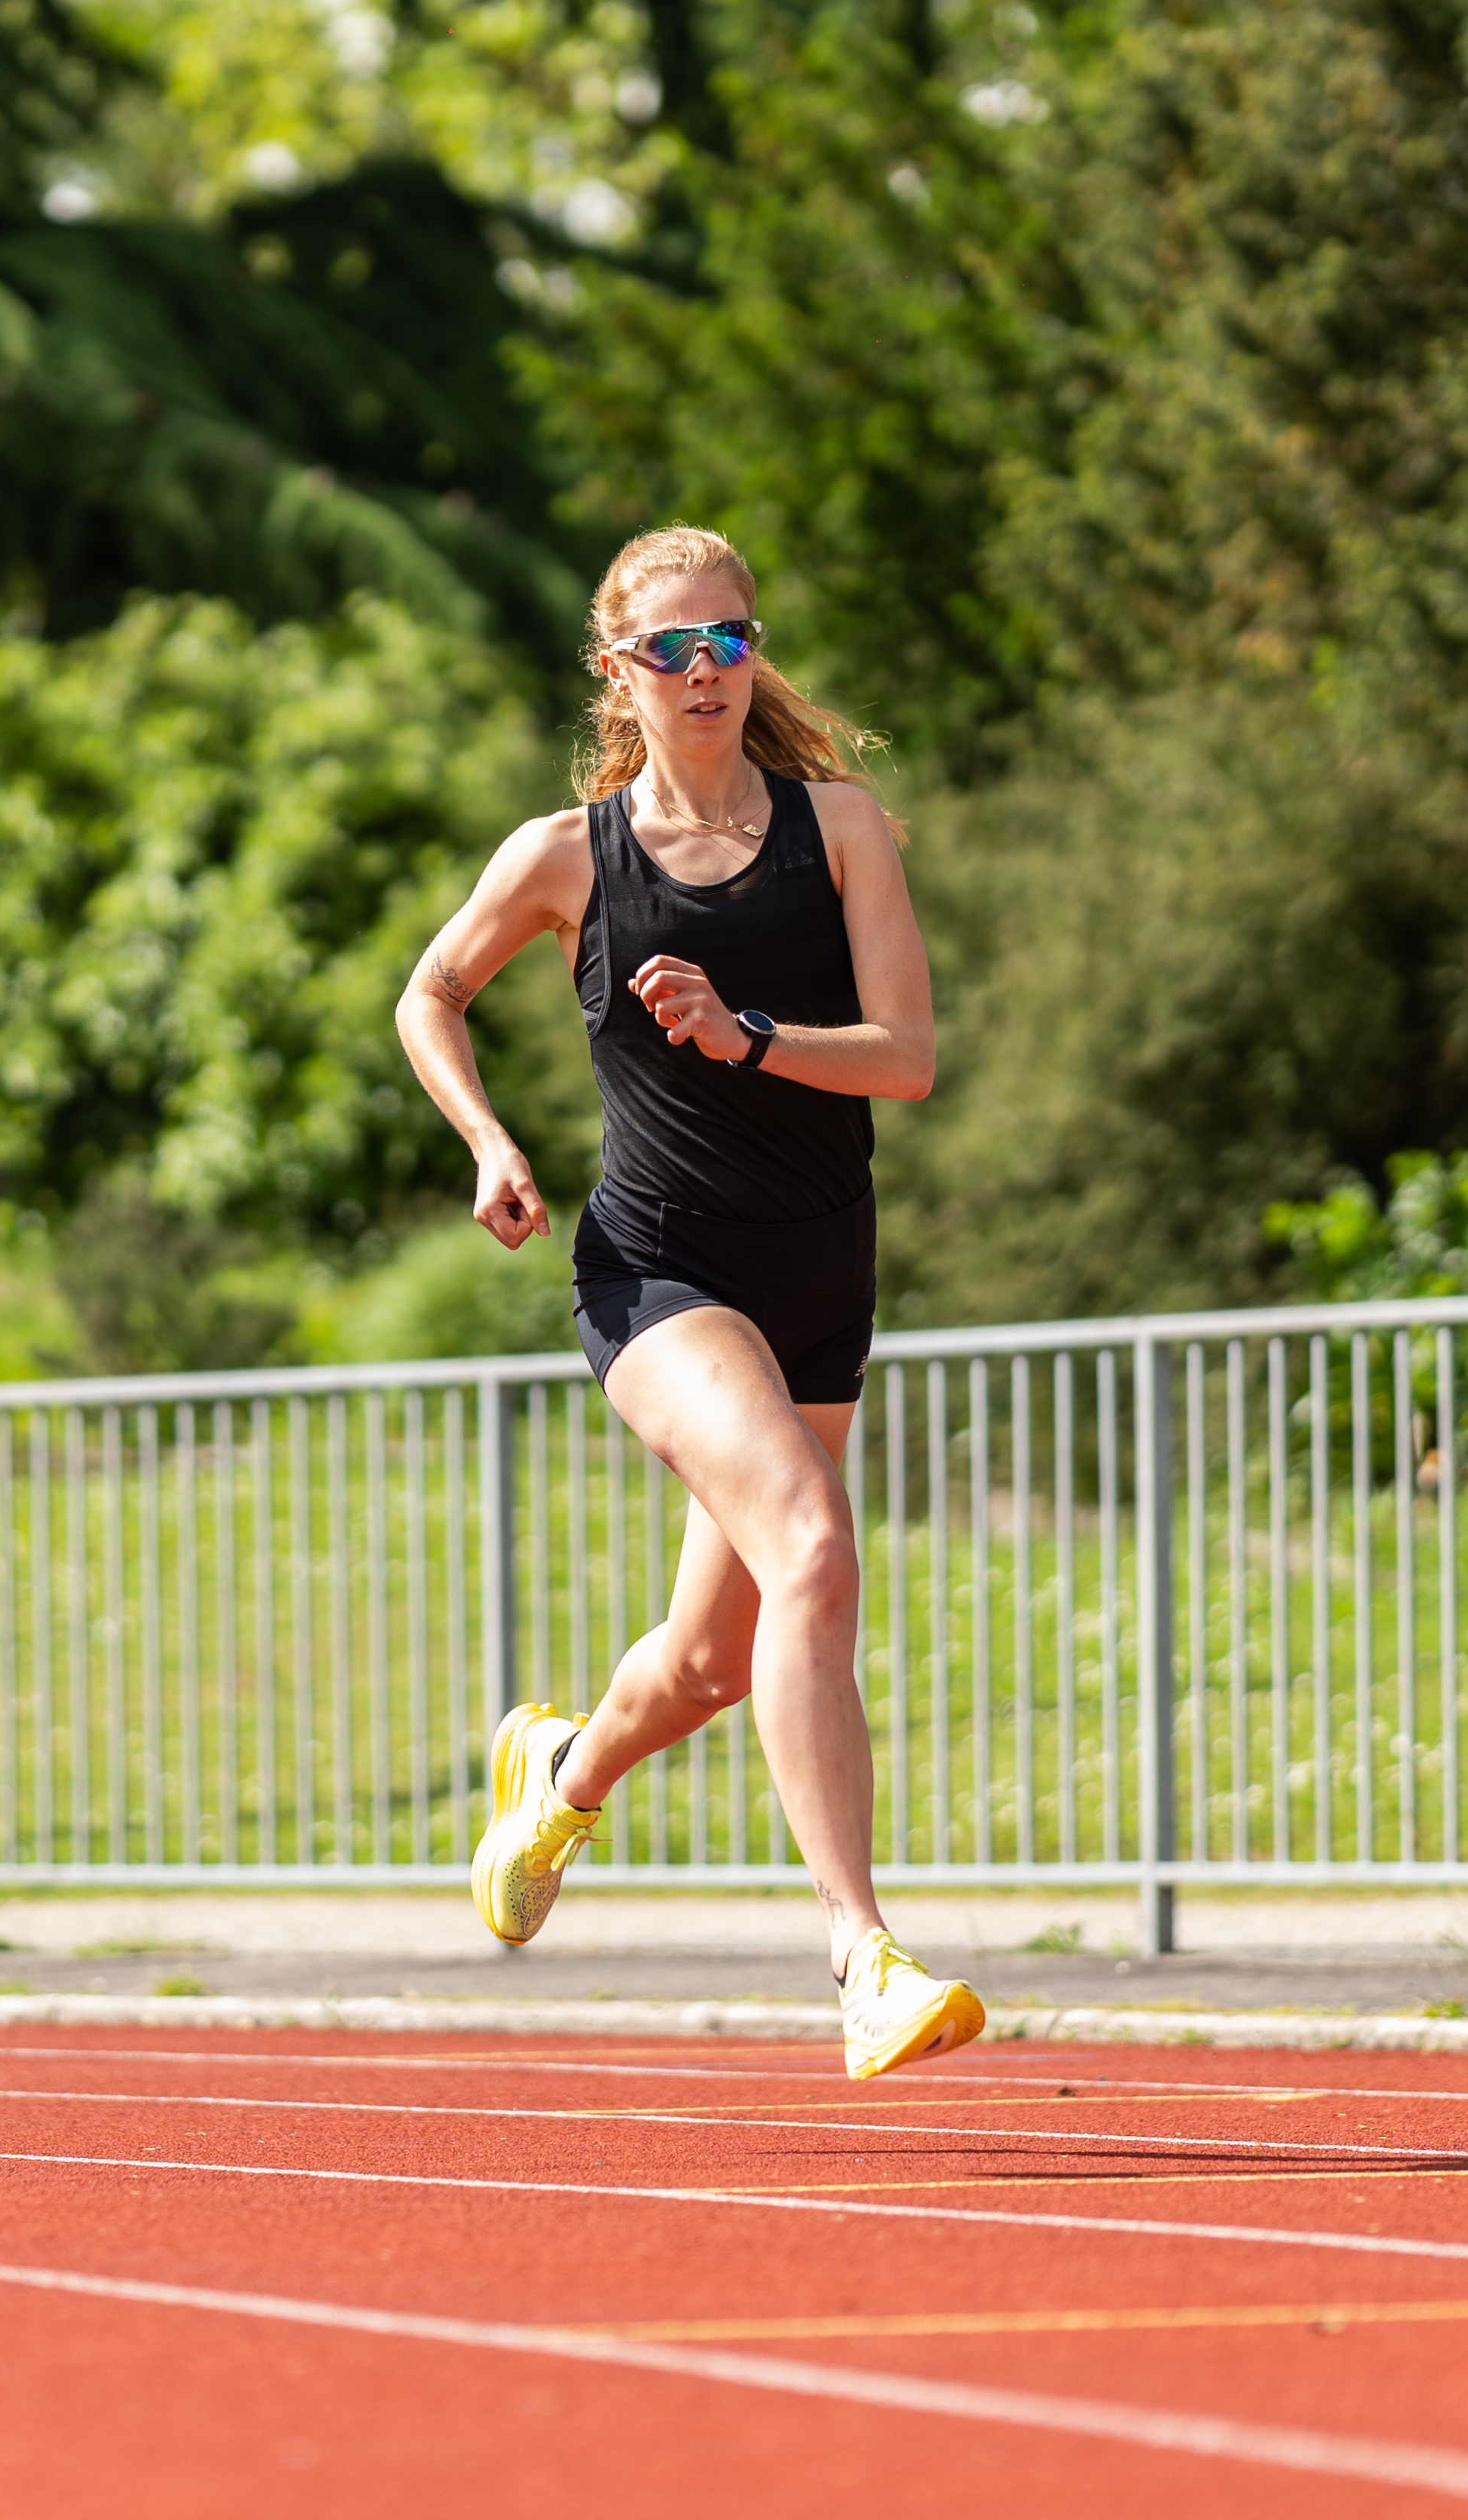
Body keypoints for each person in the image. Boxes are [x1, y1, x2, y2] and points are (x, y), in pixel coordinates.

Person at [394, 525, 984, 2081]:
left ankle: (561, 1769)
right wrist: (490, 1142)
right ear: (618, 670)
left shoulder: (839, 828)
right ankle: (861, 1954)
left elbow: (908, 1058)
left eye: (729, 642)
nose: (705, 672)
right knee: (811, 1542)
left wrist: (751, 1034)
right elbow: (428, 990)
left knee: (713, 1659)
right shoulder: (565, 858)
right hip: (660, 1272)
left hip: (819, 1265)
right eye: (671, 650)